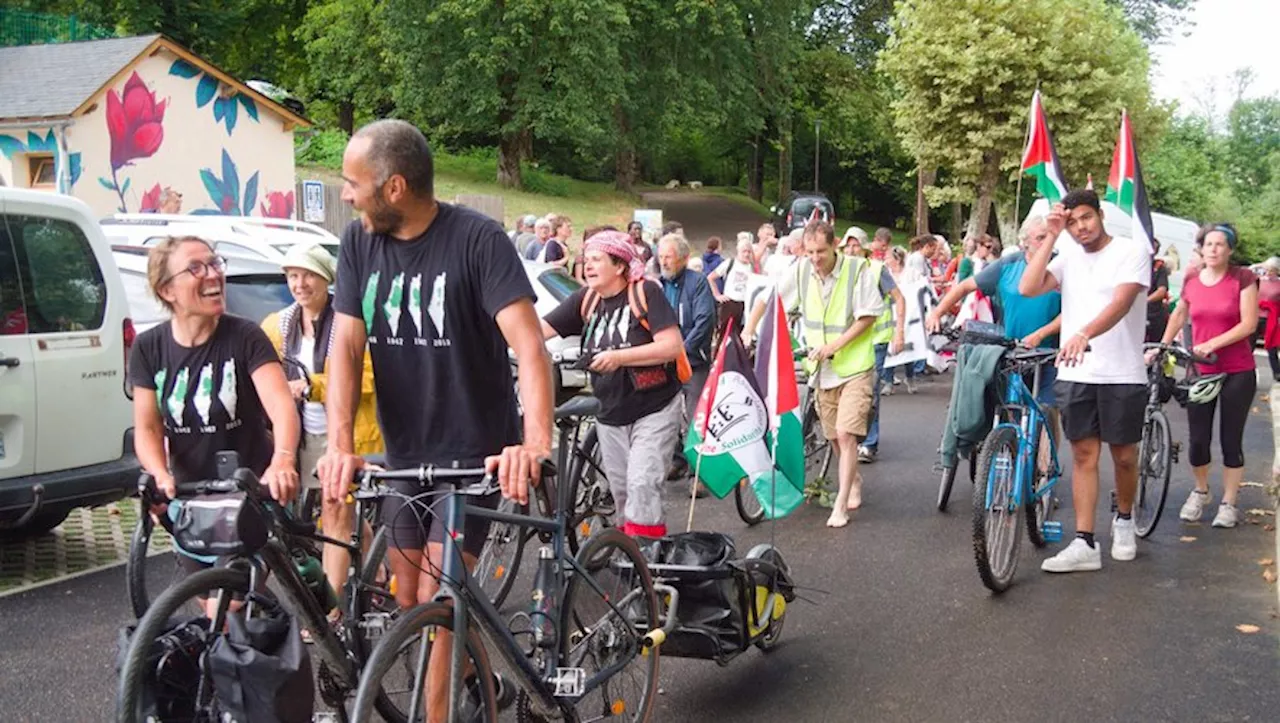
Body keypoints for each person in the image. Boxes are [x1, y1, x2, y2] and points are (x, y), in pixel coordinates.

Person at [318, 120, 553, 722]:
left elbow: (529, 347)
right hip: (405, 454)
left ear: (394, 187)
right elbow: (344, 347)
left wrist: (534, 441)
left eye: (353, 183)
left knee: (440, 603)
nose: (346, 193)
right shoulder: (358, 244)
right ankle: (487, 685)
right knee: (406, 600)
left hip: (475, 457)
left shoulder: (477, 241)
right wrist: (340, 446)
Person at [129, 236, 301, 583]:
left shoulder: (245, 336)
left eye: (214, 263)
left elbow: (282, 407)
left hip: (250, 495)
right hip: (192, 503)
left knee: (230, 602)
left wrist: (282, 460)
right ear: (167, 290)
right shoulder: (149, 348)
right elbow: (148, 428)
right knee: (217, 610)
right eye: (196, 268)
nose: (212, 275)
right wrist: (160, 474)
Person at [1019, 189, 1150, 573]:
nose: (1081, 228)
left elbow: (1122, 302)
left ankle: (1124, 519)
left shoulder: (1131, 251)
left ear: (1100, 215)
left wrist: (1083, 333)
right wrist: (1053, 235)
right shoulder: (1069, 254)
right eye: (1073, 222)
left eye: (1085, 218)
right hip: (1076, 371)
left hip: (1122, 371)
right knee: (1082, 455)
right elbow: (1028, 287)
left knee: (1124, 455)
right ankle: (1085, 542)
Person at [542, 230, 685, 537]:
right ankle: (628, 555)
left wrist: (620, 358)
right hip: (610, 412)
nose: (588, 266)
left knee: (642, 484)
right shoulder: (587, 299)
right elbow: (537, 330)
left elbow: (671, 346)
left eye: (597, 259)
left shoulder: (646, 292)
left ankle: (646, 564)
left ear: (619, 266)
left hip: (654, 408)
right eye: (585, 260)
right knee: (621, 492)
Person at [260, 243, 383, 600]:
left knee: (335, 514)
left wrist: (312, 386)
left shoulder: (351, 322)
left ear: (326, 280)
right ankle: (379, 563)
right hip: (300, 435)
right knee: (337, 517)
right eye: (293, 276)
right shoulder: (277, 325)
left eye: (308, 275)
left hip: (346, 436)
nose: (299, 284)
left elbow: (369, 377)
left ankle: (331, 608)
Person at [1152, 224, 1257, 529]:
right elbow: (1180, 313)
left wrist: (1214, 343)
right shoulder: (1192, 280)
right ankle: (1201, 492)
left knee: (1230, 439)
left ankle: (1229, 502)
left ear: (1230, 250)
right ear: (1201, 248)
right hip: (1201, 371)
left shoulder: (1243, 278)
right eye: (1208, 244)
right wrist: (1163, 345)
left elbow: (1249, 324)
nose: (1213, 249)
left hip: (1236, 370)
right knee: (1198, 440)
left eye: (1220, 244)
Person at [790, 220, 885, 528]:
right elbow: (776, 301)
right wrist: (751, 330)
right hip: (822, 370)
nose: (815, 258)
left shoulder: (857, 270)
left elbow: (868, 317)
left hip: (856, 367)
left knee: (846, 435)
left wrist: (834, 345)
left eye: (821, 251)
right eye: (810, 251)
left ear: (835, 246)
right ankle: (853, 479)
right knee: (833, 438)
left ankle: (841, 503)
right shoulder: (802, 270)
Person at [927, 214, 1063, 427]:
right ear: (1025, 240)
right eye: (1040, 238)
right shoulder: (1008, 264)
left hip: (1050, 354)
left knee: (1046, 411)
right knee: (1010, 409)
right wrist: (936, 313)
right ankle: (1009, 450)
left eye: (1049, 237)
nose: (1045, 243)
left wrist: (1042, 333)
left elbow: (1074, 311)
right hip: (1012, 351)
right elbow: (964, 287)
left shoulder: (1060, 264)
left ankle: (1045, 458)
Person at [657, 234, 716, 474]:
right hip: (663, 361)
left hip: (693, 361)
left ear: (683, 258)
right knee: (664, 415)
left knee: (695, 417)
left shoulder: (697, 282)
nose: (664, 262)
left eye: (668, 257)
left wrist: (682, 351)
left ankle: (699, 472)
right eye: (660, 257)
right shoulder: (657, 285)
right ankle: (677, 459)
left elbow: (704, 321)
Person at [856, 247, 906, 464]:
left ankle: (869, 443)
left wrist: (900, 332)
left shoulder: (877, 270)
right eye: (847, 245)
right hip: (851, 342)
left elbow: (899, 298)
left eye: (855, 245)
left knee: (870, 391)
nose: (851, 249)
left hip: (876, 340)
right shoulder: (841, 270)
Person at [709, 238, 756, 341]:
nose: (746, 254)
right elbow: (711, 277)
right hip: (730, 302)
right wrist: (717, 295)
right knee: (725, 335)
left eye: (749, 251)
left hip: (745, 304)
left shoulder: (752, 266)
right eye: (744, 251)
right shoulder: (730, 263)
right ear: (738, 251)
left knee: (741, 335)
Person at [1258, 257, 1280, 380]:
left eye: (1271, 270)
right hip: (1256, 315)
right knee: (1248, 346)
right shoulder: (1259, 281)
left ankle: (1277, 373)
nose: (1268, 272)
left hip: (1270, 318)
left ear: (1277, 270)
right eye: (1267, 269)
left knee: (1272, 348)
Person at [1146, 239, 1171, 342]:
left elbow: (1161, 291)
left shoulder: (1159, 268)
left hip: (1153, 314)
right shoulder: (1132, 265)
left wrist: (1145, 300)